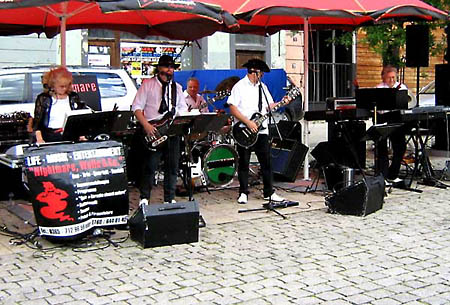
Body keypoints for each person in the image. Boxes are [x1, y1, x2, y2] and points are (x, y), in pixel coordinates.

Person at [227, 58, 285, 204]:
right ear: (254, 72)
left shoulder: (262, 87)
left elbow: (269, 106)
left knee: (266, 161)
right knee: (244, 161)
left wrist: (283, 102)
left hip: (261, 130)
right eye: (261, 73)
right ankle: (243, 192)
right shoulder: (239, 87)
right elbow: (232, 107)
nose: (263, 76)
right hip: (244, 129)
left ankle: (269, 192)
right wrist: (248, 122)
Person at [132, 55, 188, 205]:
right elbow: (136, 107)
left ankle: (169, 199)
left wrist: (182, 115)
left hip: (172, 132)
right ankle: (144, 197)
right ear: (159, 69)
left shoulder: (177, 88)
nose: (169, 70)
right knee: (150, 166)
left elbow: (182, 108)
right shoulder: (148, 85)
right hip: (153, 130)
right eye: (166, 67)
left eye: (172, 68)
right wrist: (147, 126)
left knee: (172, 167)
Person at [32, 66, 86, 143]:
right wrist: (40, 139)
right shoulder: (44, 98)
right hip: (50, 136)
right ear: (53, 85)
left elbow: (80, 118)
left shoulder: (73, 97)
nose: (64, 89)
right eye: (61, 86)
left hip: (70, 136)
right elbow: (37, 123)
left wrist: (82, 135)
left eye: (66, 86)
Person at [376, 65, 409, 183]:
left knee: (400, 146)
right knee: (382, 147)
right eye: (389, 77)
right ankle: (383, 176)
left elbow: (407, 103)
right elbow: (378, 109)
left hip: (396, 117)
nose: (392, 80)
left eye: (394, 77)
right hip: (383, 117)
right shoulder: (379, 88)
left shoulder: (401, 87)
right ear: (383, 78)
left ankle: (393, 174)